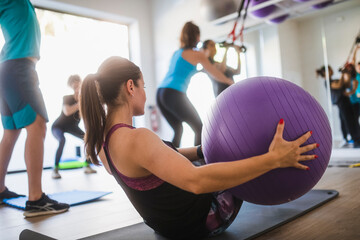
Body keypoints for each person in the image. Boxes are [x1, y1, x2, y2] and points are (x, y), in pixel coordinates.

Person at [80, 56, 318, 240]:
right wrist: (274, 159)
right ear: (130, 87)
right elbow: (197, 182)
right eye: (143, 85)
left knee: (211, 156)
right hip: (201, 221)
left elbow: (156, 161)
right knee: (242, 151)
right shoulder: (137, 139)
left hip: (168, 226)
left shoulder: (103, 142)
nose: (144, 92)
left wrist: (199, 151)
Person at [0, 0, 69, 217]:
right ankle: (36, 199)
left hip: (10, 69)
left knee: (11, 131)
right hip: (18, 68)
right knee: (37, 125)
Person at [157, 22, 234, 147]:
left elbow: (180, 71)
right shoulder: (197, 54)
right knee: (199, 127)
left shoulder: (176, 53)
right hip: (174, 93)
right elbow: (214, 72)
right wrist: (229, 81)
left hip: (161, 93)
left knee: (178, 129)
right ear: (197, 36)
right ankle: (198, 163)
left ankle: (170, 161)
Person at [51, 75, 97, 179]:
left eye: (78, 84)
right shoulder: (67, 98)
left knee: (88, 139)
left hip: (72, 127)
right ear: (71, 86)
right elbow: (67, 112)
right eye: (74, 85)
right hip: (59, 126)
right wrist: (79, 102)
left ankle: (87, 165)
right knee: (62, 140)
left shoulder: (84, 101)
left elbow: (84, 118)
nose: (76, 87)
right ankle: (55, 169)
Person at [316, 65, 360, 148]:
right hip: (341, 102)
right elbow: (339, 85)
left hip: (345, 101)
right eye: (329, 70)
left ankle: (355, 138)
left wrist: (346, 75)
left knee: (349, 120)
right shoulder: (328, 82)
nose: (332, 70)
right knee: (349, 121)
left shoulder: (334, 80)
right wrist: (343, 74)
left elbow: (345, 84)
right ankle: (356, 140)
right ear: (325, 73)